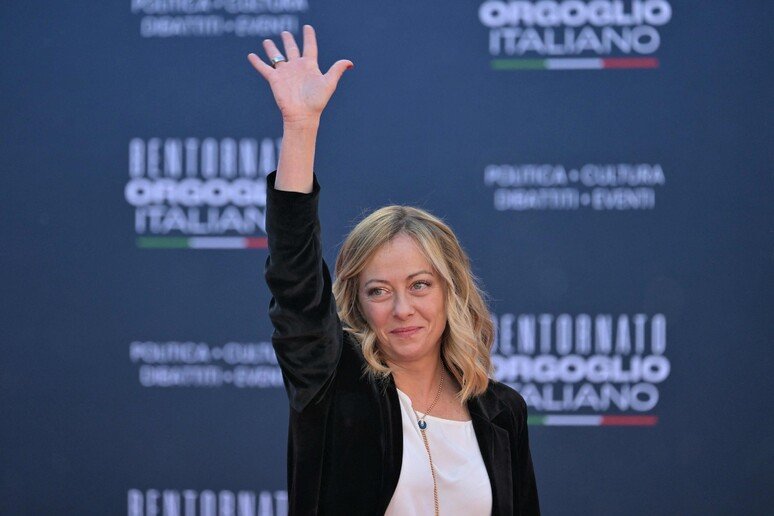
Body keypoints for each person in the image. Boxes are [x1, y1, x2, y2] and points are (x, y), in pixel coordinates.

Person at [248, 25, 540, 516]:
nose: (403, 309)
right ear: (357, 302)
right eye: (379, 291)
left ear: (451, 290)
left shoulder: (501, 412)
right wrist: (300, 127)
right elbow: (295, 276)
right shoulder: (333, 386)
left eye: (420, 285)